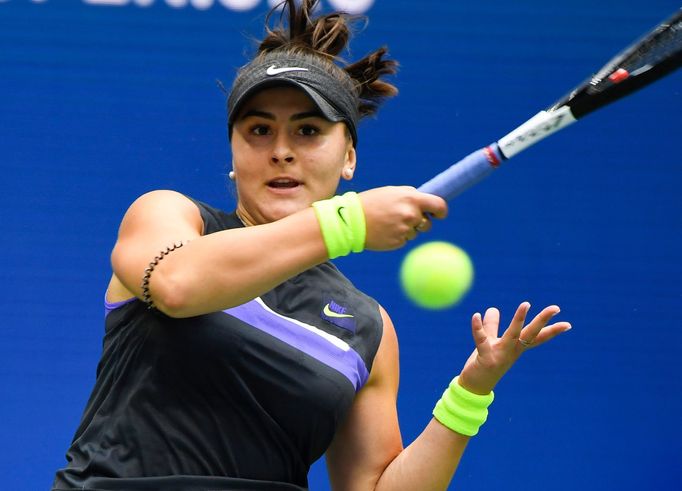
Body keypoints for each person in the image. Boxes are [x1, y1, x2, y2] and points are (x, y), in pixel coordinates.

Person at [52, 1, 571, 490]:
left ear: (349, 158)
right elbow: (178, 284)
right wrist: (348, 222)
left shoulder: (368, 328)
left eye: (307, 131)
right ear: (233, 153)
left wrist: (471, 393)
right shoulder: (170, 217)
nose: (281, 152)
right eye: (259, 130)